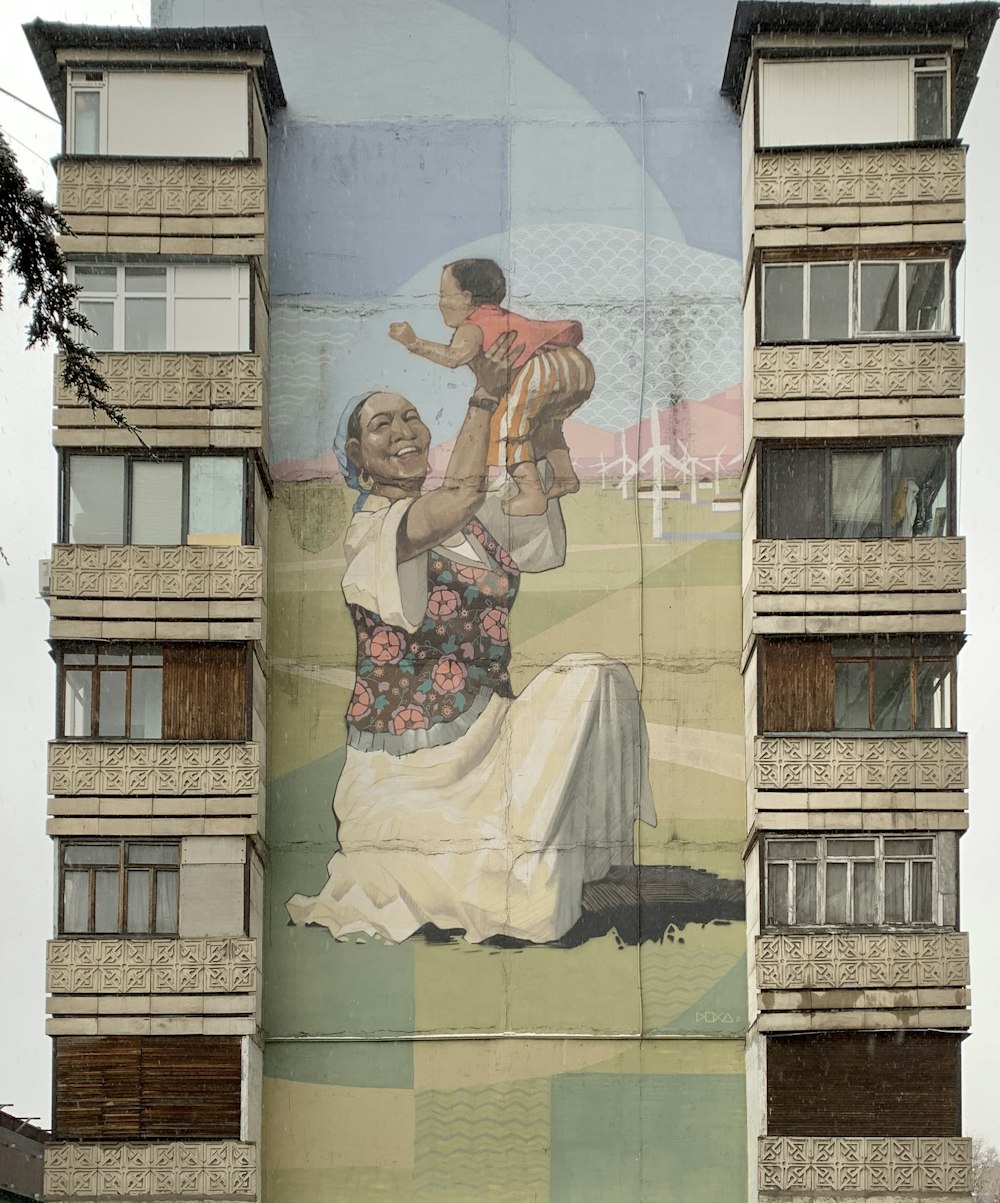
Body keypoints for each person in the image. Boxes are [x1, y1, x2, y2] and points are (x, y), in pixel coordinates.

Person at [286, 332, 654, 945]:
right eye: (382, 425)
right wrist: (485, 395)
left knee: (598, 678)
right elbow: (459, 496)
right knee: (521, 907)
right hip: (413, 771)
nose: (403, 430)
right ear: (357, 451)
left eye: (411, 418)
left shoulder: (473, 525)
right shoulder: (373, 533)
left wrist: (539, 414)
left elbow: (540, 497)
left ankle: (555, 862)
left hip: (489, 734)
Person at [388, 258, 594, 517]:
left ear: (465, 297)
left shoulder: (474, 325)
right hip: (574, 366)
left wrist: (414, 343)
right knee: (543, 424)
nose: (439, 303)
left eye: (443, 295)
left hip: (541, 370)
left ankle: (531, 495)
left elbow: (454, 357)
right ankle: (564, 476)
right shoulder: (500, 318)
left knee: (506, 426)